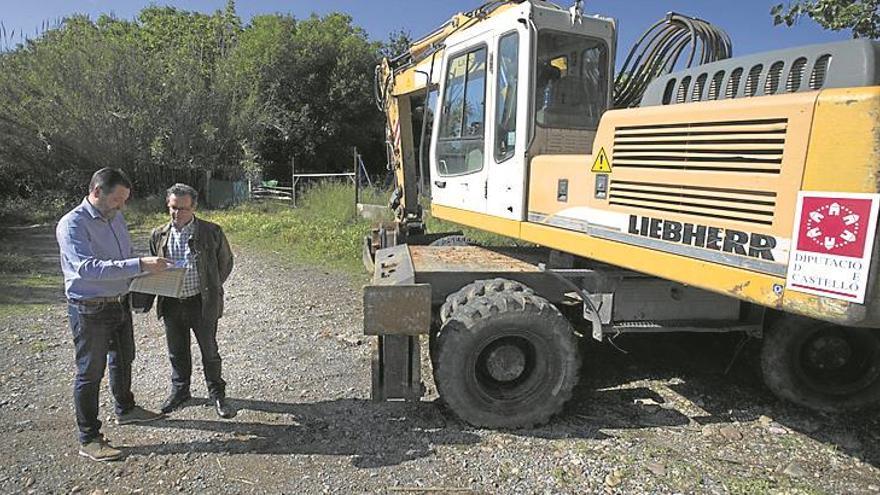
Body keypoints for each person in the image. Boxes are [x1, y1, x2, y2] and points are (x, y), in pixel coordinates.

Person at [56, 167, 172, 462]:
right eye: (118, 200)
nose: (122, 207)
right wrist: (140, 265)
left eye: (124, 200)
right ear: (97, 192)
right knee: (90, 372)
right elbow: (89, 268)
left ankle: (126, 409)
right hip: (90, 308)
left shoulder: (115, 217)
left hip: (119, 302)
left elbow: (121, 257)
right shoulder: (72, 225)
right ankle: (89, 438)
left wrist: (146, 275)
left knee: (124, 357)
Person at [149, 183, 235, 419]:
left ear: (194, 207)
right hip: (171, 304)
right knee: (177, 352)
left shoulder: (212, 232)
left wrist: (210, 287)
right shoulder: (158, 234)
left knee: (209, 351)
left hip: (202, 302)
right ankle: (180, 391)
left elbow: (225, 264)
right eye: (173, 208)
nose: (177, 214)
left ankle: (217, 393)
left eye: (183, 209)